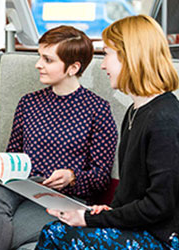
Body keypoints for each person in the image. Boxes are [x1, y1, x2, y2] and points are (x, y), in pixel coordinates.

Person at [36, 15, 179, 250]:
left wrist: (89, 218)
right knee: (58, 230)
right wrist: (108, 211)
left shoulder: (164, 119)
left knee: (56, 234)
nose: (102, 65)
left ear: (130, 57)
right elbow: (132, 193)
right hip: (143, 228)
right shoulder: (136, 111)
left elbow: (159, 205)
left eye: (107, 54)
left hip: (163, 239)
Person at [0, 26, 118, 250]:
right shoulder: (28, 103)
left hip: (64, 198)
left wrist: (72, 176)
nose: (38, 64)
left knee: (6, 230)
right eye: (40, 56)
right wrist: (3, 163)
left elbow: (101, 178)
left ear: (73, 68)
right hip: (21, 187)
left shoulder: (98, 109)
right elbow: (15, 153)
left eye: (48, 60)